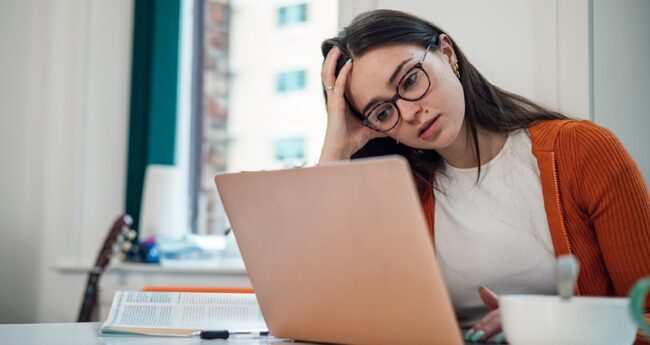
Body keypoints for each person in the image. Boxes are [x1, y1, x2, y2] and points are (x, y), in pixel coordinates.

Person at [319, 9, 650, 344]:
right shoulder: (402, 198)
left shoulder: (582, 151)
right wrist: (335, 149)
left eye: (410, 80)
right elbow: (320, 308)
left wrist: (536, 322)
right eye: (384, 112)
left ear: (446, 54)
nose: (409, 112)